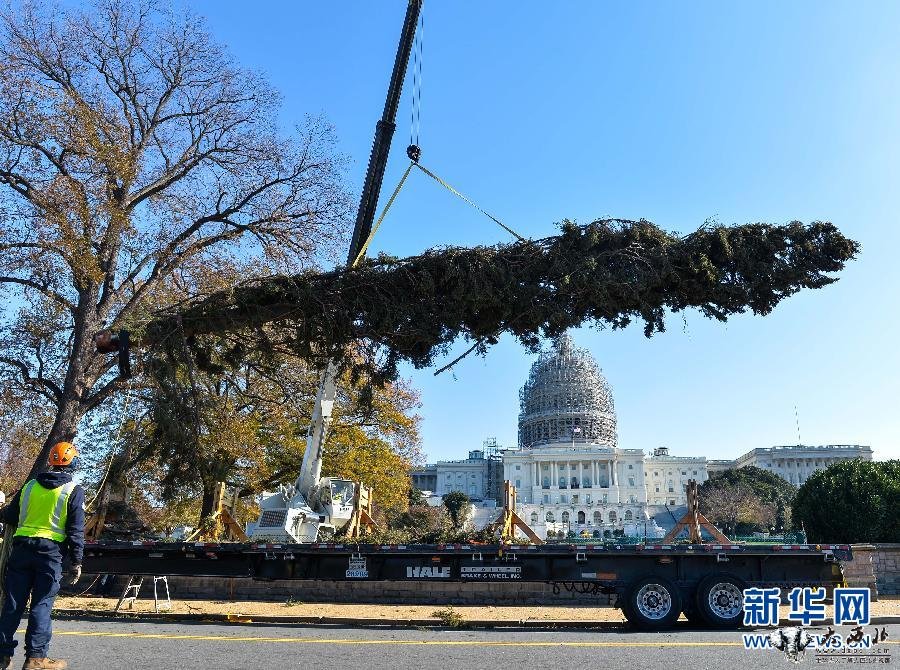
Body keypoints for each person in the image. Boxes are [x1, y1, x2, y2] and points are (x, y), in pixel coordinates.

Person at [0, 442, 85, 670]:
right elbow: (76, 531)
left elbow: (10, 515)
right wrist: (76, 561)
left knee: (13, 604)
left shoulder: (29, 487)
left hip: (20, 552)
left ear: (50, 460)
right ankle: (36, 659)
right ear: (73, 463)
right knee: (41, 605)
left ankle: (1, 656)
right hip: (49, 554)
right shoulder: (73, 490)